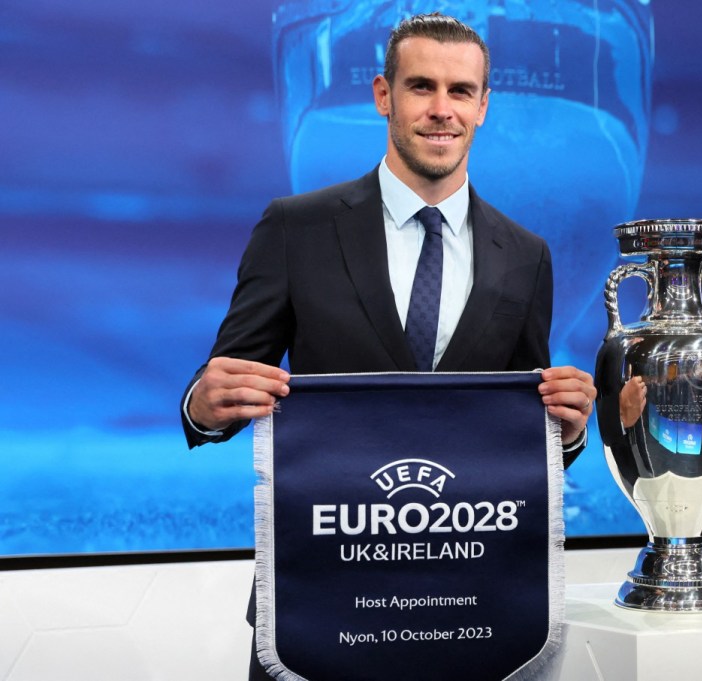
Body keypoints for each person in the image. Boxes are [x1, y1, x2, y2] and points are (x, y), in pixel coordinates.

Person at [180, 13, 596, 679]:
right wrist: (204, 403)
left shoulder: (525, 256)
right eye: (421, 87)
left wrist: (565, 430)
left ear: (484, 107)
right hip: (316, 607)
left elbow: (512, 430)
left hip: (466, 607)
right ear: (383, 95)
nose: (441, 110)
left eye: (461, 92)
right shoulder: (295, 229)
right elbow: (223, 388)